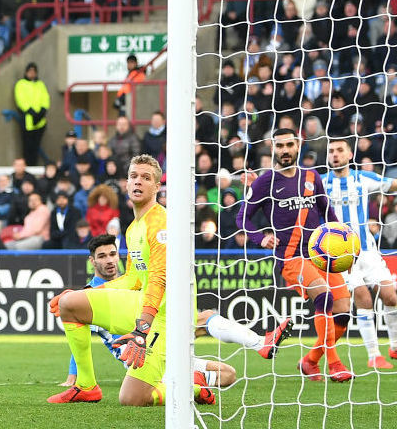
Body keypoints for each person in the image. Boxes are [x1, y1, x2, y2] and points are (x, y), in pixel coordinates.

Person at [47, 154, 290, 406]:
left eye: (146, 177)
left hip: (165, 317)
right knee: (70, 304)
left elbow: (159, 278)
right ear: (126, 183)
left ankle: (192, 389)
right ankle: (86, 386)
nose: (138, 182)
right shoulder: (132, 228)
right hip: (144, 306)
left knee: (132, 399)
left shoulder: (161, 222)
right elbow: (132, 278)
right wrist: (86, 291)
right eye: (133, 176)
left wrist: (142, 328)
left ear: (156, 186)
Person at [59, 234, 291, 389]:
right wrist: (75, 374)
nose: (109, 260)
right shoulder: (91, 295)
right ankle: (182, 382)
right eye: (102, 256)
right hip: (140, 357)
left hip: (163, 343)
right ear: (92, 261)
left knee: (228, 375)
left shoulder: (130, 282)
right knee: (201, 318)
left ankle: (187, 381)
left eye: (112, 254)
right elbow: (79, 335)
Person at [237, 128, 354, 382]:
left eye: (289, 144)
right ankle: (334, 364)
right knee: (324, 296)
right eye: (280, 146)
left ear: (298, 145)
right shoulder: (264, 182)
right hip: (290, 257)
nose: (285, 150)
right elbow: (242, 218)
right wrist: (261, 237)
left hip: (322, 256)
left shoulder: (312, 176)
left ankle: (311, 361)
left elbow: (329, 215)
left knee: (344, 311)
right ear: (272, 147)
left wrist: (346, 251)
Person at [324, 137, 397, 369]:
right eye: (331, 151)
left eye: (339, 150)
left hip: (367, 251)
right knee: (363, 299)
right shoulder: (320, 182)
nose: (335, 155)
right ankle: (373, 355)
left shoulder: (363, 178)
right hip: (341, 256)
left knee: (390, 296)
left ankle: (396, 348)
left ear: (350, 155)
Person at [14, 62, 49, 166]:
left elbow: (45, 98)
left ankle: (34, 164)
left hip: (40, 120)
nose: (32, 73)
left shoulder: (40, 84)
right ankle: (27, 165)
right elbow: (20, 99)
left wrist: (43, 110)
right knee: (27, 146)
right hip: (27, 119)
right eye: (30, 71)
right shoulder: (20, 84)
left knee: (36, 145)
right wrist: (30, 111)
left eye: (34, 71)